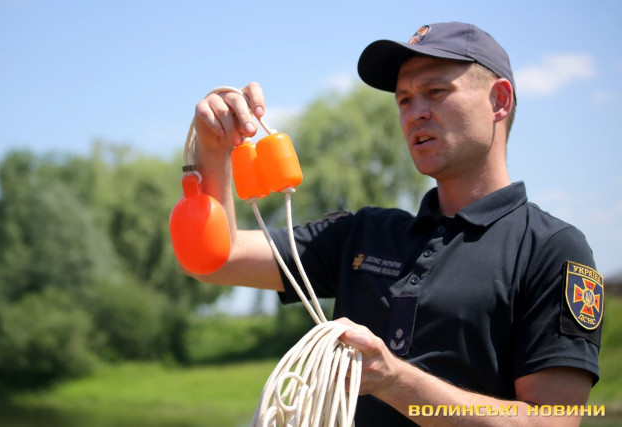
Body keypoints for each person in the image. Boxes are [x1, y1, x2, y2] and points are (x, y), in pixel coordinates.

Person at [187, 22, 603, 425]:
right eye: (403, 100)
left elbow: (551, 422)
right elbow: (216, 258)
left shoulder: (551, 249)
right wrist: (213, 148)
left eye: (435, 92)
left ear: (499, 100)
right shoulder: (362, 233)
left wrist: (394, 380)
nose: (415, 113)